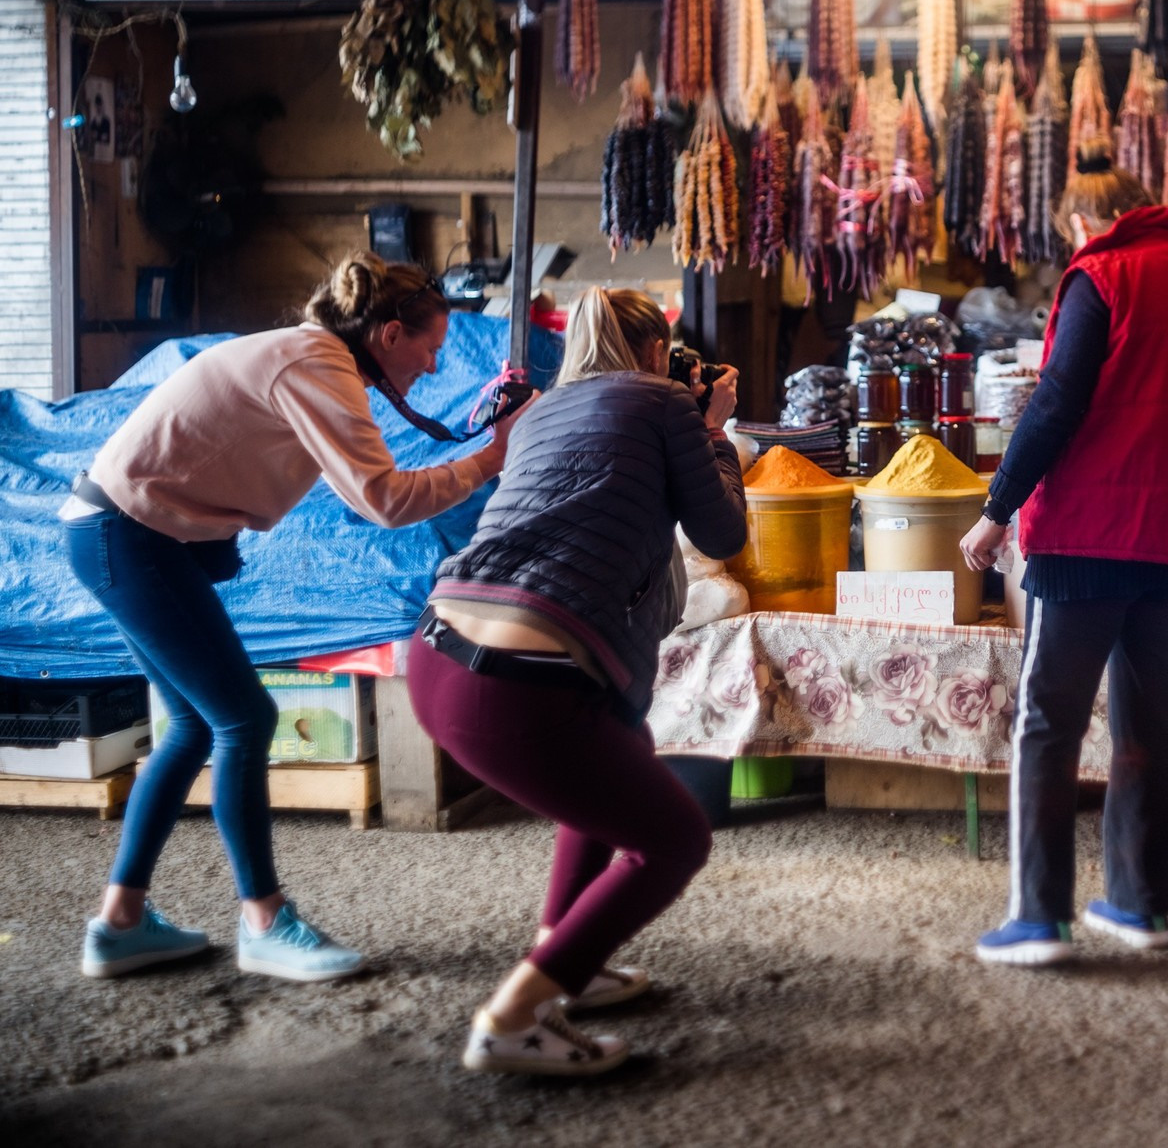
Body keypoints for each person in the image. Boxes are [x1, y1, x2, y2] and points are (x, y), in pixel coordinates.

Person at [63, 253, 521, 982]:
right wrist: (492, 457)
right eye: (431, 350)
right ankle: (265, 922)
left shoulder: (317, 359)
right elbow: (384, 502)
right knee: (243, 719)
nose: (435, 369)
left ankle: (119, 924)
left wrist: (476, 443)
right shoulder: (318, 363)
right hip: (127, 532)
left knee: (192, 725)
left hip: (120, 529)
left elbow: (359, 491)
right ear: (389, 333)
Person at [959, 142, 1168, 966]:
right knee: (1149, 721)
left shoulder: (1100, 276)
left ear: (1084, 220)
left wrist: (995, 510)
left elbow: (1056, 400)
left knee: (1049, 722)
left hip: (1086, 537)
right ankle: (1139, 906)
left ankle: (1039, 918)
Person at [408, 287, 747, 1076]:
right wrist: (714, 428)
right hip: (519, 685)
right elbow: (723, 531)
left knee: (619, 752)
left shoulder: (539, 415)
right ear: (660, 352)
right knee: (673, 838)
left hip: (439, 655)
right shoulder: (664, 401)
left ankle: (568, 958)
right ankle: (512, 1015)